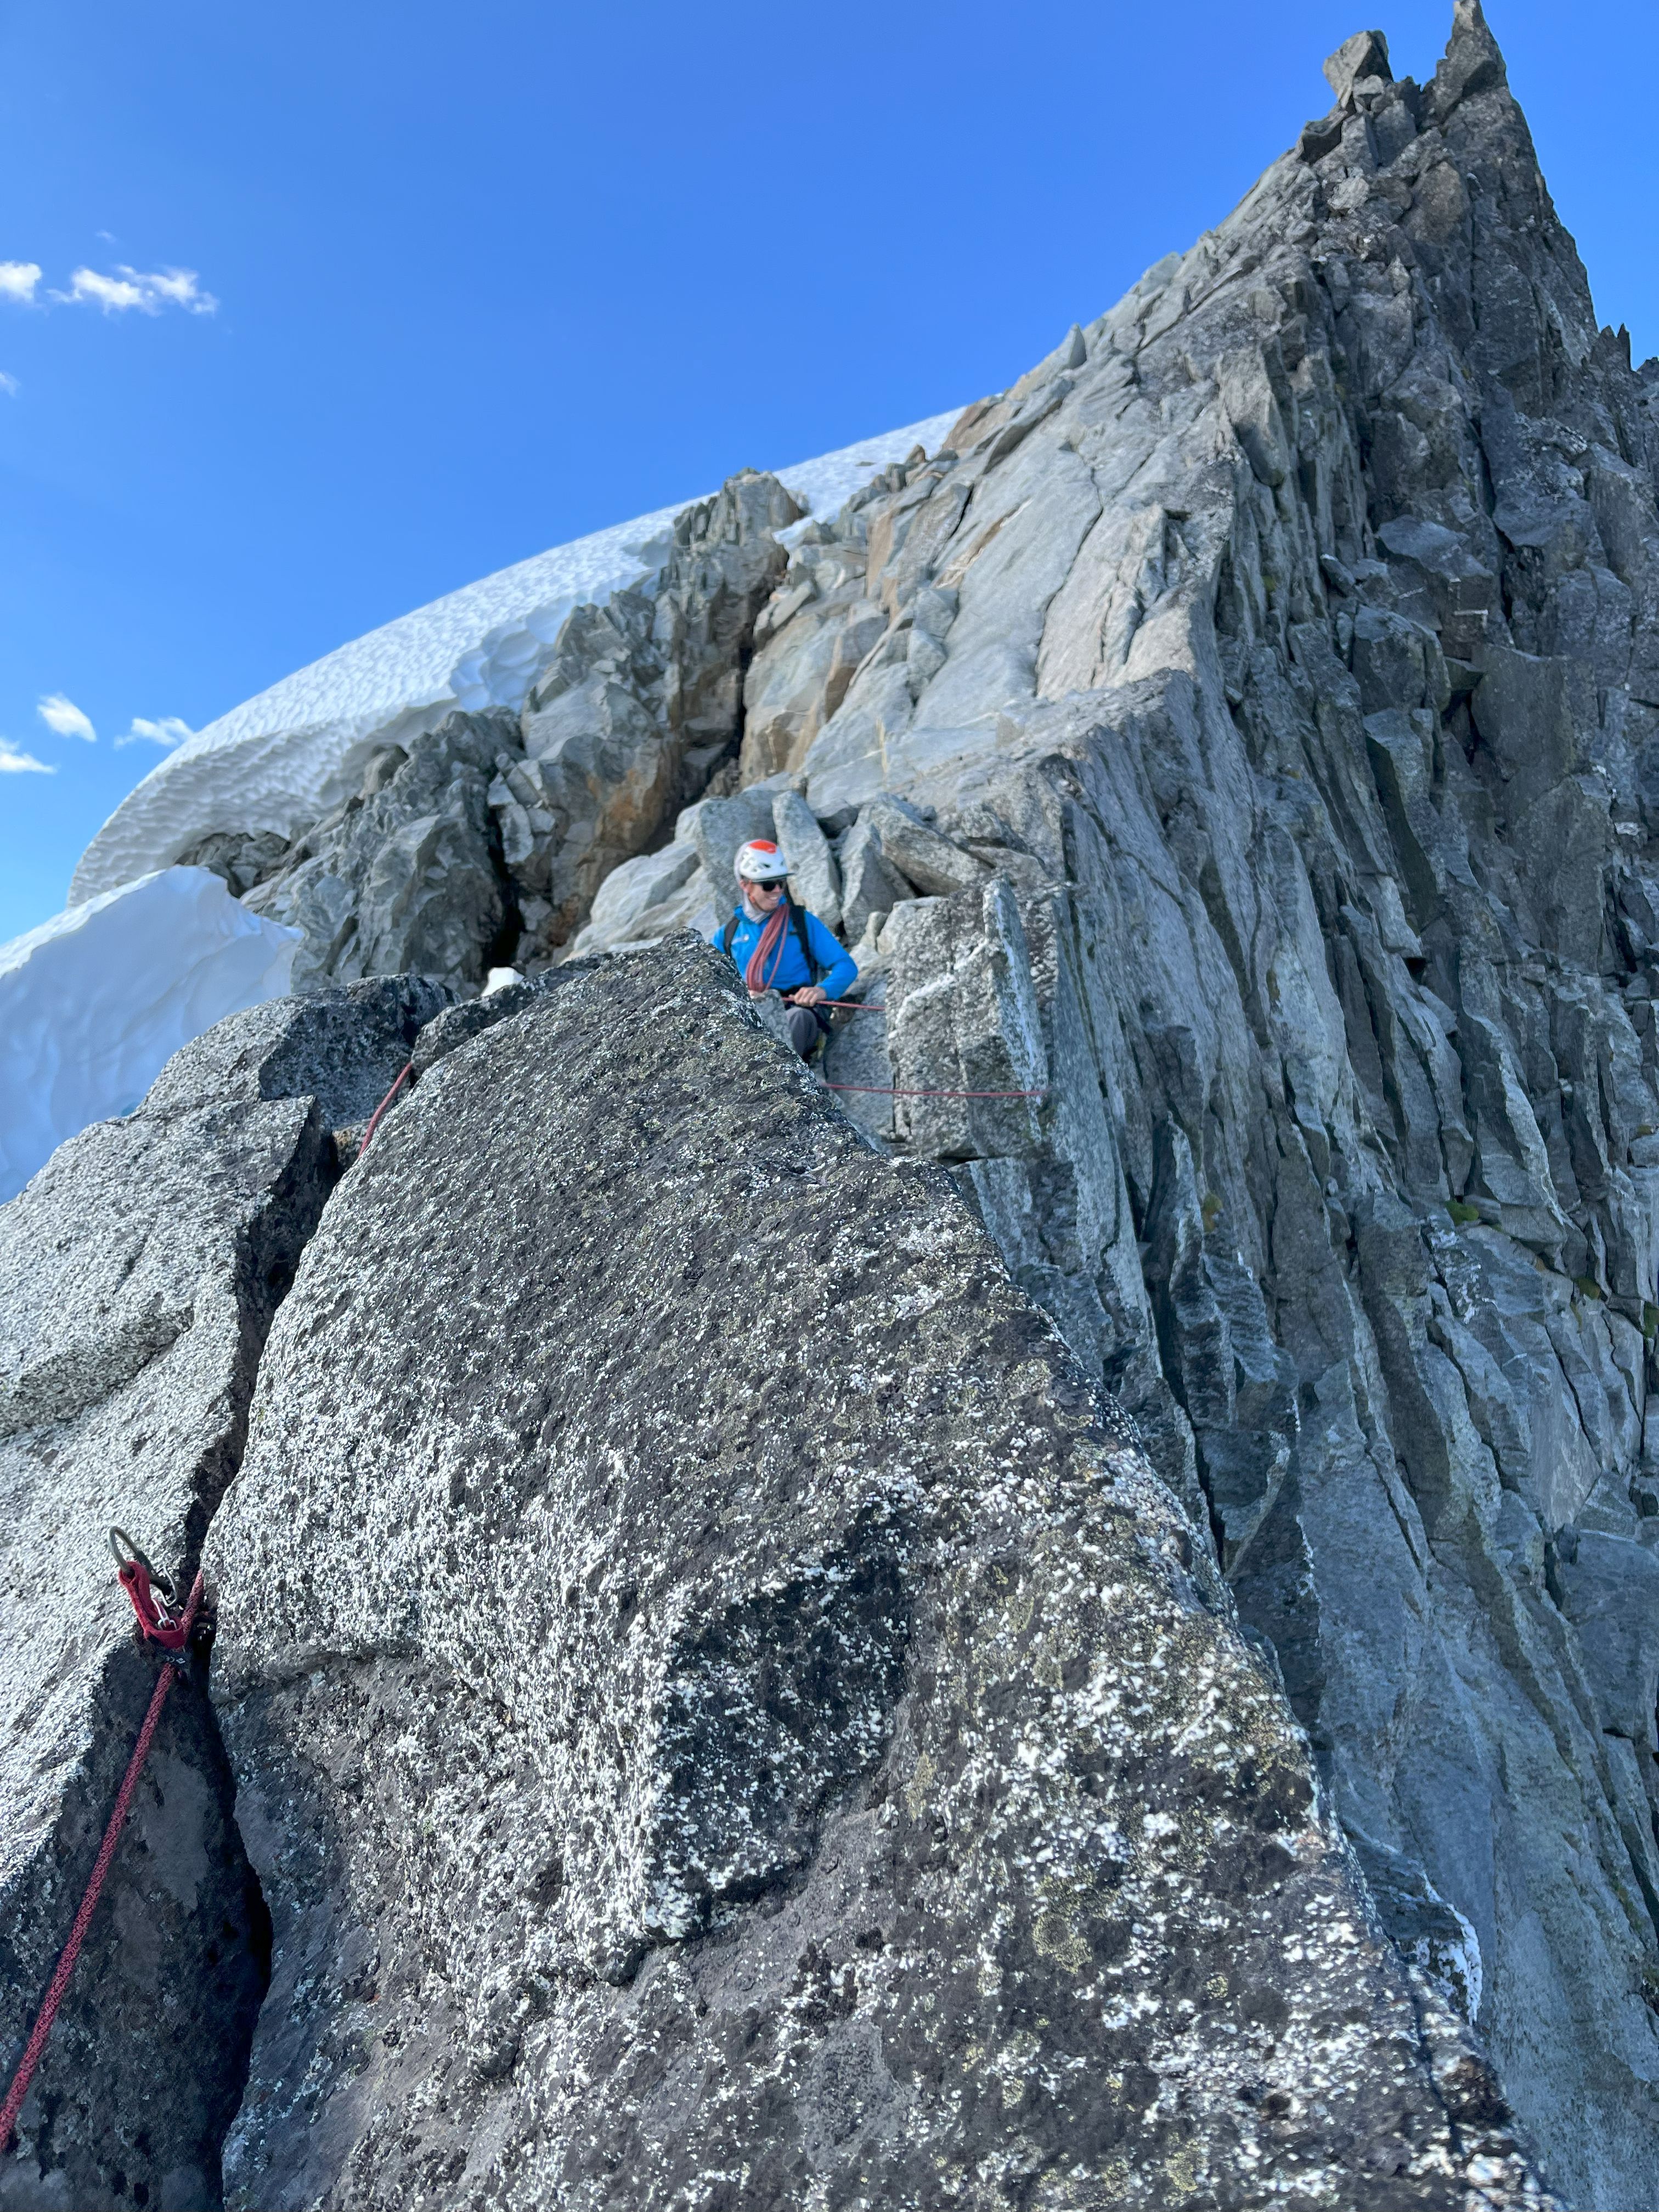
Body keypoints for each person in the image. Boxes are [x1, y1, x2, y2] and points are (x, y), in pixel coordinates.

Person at [712, 838, 857, 1058]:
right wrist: (741, 996)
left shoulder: (801, 922)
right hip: (752, 1013)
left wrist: (821, 991)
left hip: (801, 1010)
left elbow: (845, 966)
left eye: (781, 882)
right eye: (769, 885)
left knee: (797, 1019)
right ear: (745, 885)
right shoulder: (728, 935)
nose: (778, 890)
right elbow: (713, 989)